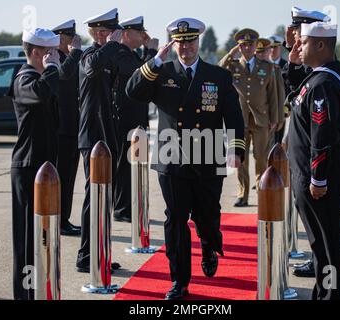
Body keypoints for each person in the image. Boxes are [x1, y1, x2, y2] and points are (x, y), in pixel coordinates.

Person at [126, 18, 245, 300]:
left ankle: (208, 243)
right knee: (175, 220)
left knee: (207, 216)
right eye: (180, 41)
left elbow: (234, 115)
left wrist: (236, 148)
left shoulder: (217, 75)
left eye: (190, 41)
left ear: (198, 42)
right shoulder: (162, 72)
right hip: (173, 158)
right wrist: (154, 61)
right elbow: (133, 91)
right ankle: (179, 281)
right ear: (173, 43)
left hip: (208, 156)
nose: (186, 47)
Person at [287, 22, 340, 300]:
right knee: (320, 246)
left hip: (319, 182)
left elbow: (321, 136)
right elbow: (296, 101)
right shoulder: (319, 78)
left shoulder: (324, 83)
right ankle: (325, 293)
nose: (297, 47)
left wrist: (318, 179)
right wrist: (292, 65)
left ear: (321, 45)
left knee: (326, 247)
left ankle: (330, 296)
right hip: (313, 177)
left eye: (302, 42)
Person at [10, 28, 60, 300]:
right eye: (51, 53)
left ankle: (39, 290)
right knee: (27, 241)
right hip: (29, 168)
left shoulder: (41, 77)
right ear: (38, 53)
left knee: (41, 239)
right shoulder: (24, 79)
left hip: (43, 168)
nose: (55, 57)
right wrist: (51, 70)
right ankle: (25, 295)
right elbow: (40, 94)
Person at [282, 7, 331, 278]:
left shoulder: (322, 68)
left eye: (300, 30)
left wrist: (317, 175)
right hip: (302, 151)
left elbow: (320, 125)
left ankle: (323, 266)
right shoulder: (306, 60)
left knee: (321, 220)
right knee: (309, 214)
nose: (295, 34)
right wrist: (292, 62)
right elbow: (294, 94)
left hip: (315, 157)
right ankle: (319, 260)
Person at [77, 8, 123, 273]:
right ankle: (86, 256)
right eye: (108, 32)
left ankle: (100, 252)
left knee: (104, 199)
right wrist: (111, 45)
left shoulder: (109, 55)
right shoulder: (89, 55)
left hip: (108, 135)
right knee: (93, 197)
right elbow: (93, 68)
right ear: (97, 33)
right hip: (93, 136)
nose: (114, 36)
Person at [219, 30, 278, 207]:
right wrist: (231, 54)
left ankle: (261, 191)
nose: (247, 48)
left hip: (261, 120)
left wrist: (275, 118)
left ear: (255, 46)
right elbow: (217, 70)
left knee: (260, 157)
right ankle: (242, 193)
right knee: (240, 159)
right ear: (239, 46)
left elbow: (273, 95)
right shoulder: (233, 66)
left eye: (250, 44)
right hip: (240, 119)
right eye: (243, 45)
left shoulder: (267, 67)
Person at [113, 16, 159, 223]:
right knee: (124, 165)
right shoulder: (120, 54)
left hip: (134, 119)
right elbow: (142, 74)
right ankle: (121, 209)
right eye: (139, 33)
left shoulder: (129, 54)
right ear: (126, 34)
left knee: (130, 165)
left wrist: (146, 50)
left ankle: (126, 206)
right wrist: (151, 51)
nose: (143, 36)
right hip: (125, 120)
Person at [51, 19, 83, 237]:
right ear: (61, 38)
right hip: (60, 129)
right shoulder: (54, 59)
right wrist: (75, 54)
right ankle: (59, 220)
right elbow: (63, 76)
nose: (73, 41)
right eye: (70, 37)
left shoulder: (69, 58)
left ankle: (64, 218)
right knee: (61, 175)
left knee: (69, 175)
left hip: (72, 127)